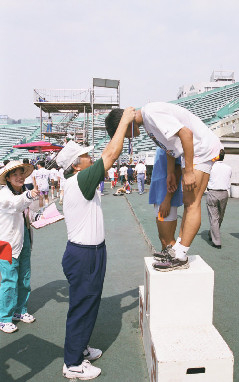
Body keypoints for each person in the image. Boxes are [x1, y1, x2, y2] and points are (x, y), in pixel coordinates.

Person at [56, 107, 136, 380]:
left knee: (89, 303)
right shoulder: (80, 180)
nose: (91, 156)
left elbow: (107, 155)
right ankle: (73, 363)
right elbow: (111, 155)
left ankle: (80, 348)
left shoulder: (77, 179)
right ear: (77, 163)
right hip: (85, 255)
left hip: (89, 252)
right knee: (82, 306)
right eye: (86, 154)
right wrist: (124, 122)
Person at [105, 102, 222, 271]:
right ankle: (177, 250)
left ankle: (180, 256)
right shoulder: (147, 122)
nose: (129, 139)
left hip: (201, 150)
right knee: (190, 203)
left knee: (191, 203)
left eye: (125, 134)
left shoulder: (151, 113)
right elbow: (169, 148)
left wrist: (188, 171)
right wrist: (170, 173)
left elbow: (186, 134)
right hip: (193, 151)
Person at [0, 161, 40, 333]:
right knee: (9, 280)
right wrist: (30, 195)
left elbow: (27, 212)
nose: (20, 176)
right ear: (7, 178)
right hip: (6, 243)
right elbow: (16, 205)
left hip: (23, 240)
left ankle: (20, 310)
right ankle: (4, 317)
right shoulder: (4, 194)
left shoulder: (23, 192)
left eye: (22, 173)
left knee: (24, 277)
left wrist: (40, 217)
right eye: (15, 174)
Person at [149, 148, 183, 259]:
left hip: (165, 197)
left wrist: (167, 199)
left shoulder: (170, 143)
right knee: (163, 238)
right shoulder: (162, 144)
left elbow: (177, 170)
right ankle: (166, 259)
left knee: (168, 240)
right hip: (159, 197)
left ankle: (176, 262)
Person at [206, 149, 232, 249]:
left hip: (212, 192)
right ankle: (214, 237)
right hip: (224, 193)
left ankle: (216, 240)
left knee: (214, 217)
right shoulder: (228, 168)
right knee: (220, 217)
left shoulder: (210, 167)